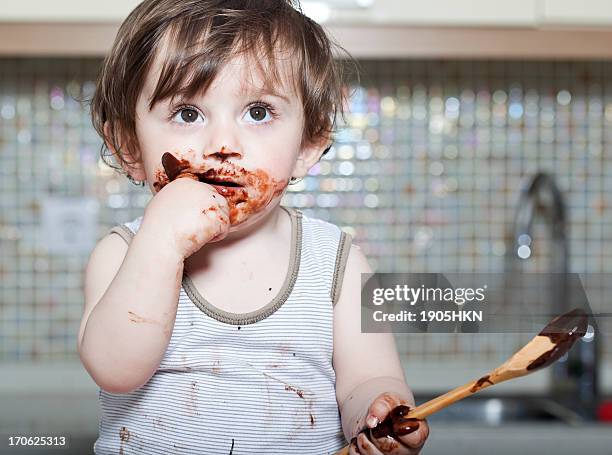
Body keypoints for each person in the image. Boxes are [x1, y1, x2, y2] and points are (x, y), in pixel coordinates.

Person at [78, 0, 429, 453]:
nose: (223, 144)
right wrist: (160, 245)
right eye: (188, 113)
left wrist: (379, 412)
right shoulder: (123, 254)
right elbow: (115, 370)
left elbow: (368, 377)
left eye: (259, 112)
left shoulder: (336, 263)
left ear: (307, 145)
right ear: (128, 145)